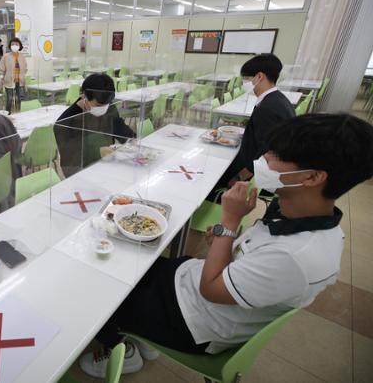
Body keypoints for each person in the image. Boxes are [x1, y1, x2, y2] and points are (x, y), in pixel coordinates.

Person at [79, 112, 373, 378]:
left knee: (101, 292)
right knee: (125, 261)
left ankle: (124, 352)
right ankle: (143, 339)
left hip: (192, 320)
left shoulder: (296, 256)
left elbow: (212, 289)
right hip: (191, 284)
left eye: (276, 154)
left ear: (312, 177)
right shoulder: (298, 214)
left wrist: (229, 222)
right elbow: (245, 259)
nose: (264, 158)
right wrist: (224, 237)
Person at [212, 54, 295, 195]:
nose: (244, 83)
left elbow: (267, 150)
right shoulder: (278, 99)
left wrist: (239, 177)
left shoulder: (267, 108)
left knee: (213, 176)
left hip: (252, 173)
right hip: (264, 167)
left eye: (246, 79)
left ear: (259, 76)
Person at [54, 73, 135, 177]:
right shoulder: (65, 122)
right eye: (98, 105)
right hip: (83, 174)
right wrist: (98, 152)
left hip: (110, 167)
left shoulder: (109, 108)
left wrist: (132, 139)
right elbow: (69, 160)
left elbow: (119, 127)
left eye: (107, 104)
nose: (104, 108)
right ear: (84, 96)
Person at [0, 38, 28, 114]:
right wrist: (1, 78)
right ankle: (8, 114)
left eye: (16, 44)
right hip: (9, 80)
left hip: (20, 81)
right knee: (10, 99)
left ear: (20, 46)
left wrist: (23, 76)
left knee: (20, 98)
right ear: (10, 46)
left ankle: (20, 113)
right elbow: (2, 68)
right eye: (12, 44)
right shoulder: (6, 56)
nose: (14, 46)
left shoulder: (22, 56)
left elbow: (25, 68)